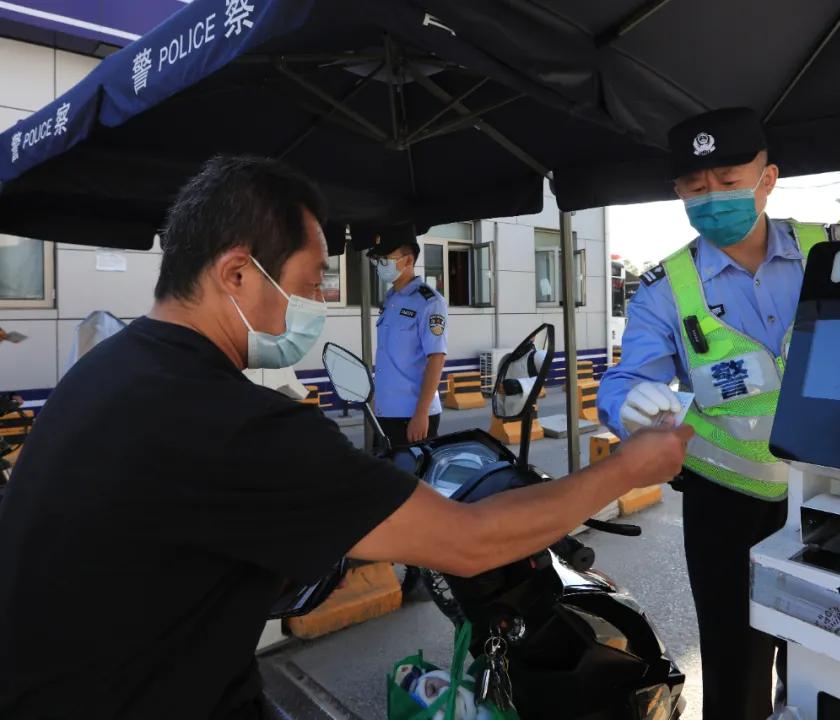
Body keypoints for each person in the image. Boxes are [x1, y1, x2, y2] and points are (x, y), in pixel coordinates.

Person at [0, 155, 693, 720]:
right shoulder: (235, 424)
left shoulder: (108, 368)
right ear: (236, 274)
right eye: (310, 284)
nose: (317, 304)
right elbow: (470, 541)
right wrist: (626, 468)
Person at [597, 107, 840, 720]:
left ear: (767, 178)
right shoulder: (664, 288)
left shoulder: (832, 251)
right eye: (695, 187)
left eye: (729, 181)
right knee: (735, 664)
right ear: (678, 192)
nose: (713, 198)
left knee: (832, 658)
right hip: (724, 502)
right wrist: (627, 404)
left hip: (834, 490)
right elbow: (629, 377)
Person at [368, 226, 447, 446]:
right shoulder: (391, 299)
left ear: (409, 260)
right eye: (378, 260)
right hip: (386, 412)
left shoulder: (429, 302)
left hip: (412, 415)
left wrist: (421, 414)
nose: (380, 264)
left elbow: (437, 358)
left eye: (386, 259)